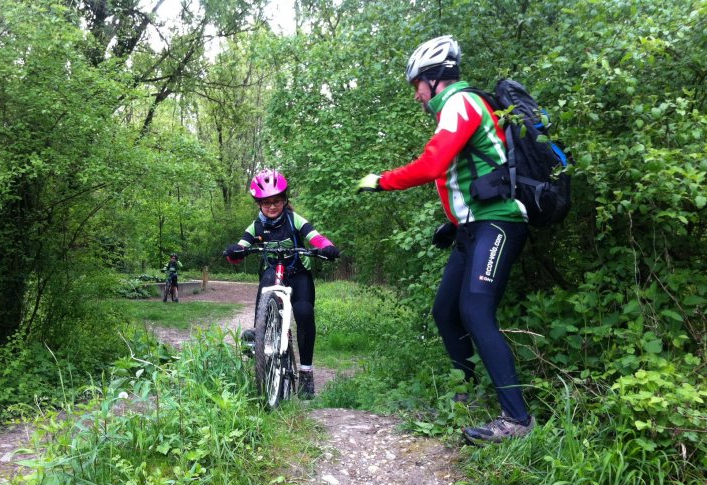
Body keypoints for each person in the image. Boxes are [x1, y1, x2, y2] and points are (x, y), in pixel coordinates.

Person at [356, 35, 535, 444]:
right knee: (445, 311)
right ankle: (469, 394)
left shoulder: (459, 101)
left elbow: (432, 163)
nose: (416, 93)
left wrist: (381, 181)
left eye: (418, 83)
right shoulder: (454, 109)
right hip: (472, 227)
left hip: (499, 223)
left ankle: (518, 420)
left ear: (437, 77)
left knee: (475, 312)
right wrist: (454, 221)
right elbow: (464, 174)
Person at [225, 169, 340, 399]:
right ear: (258, 203)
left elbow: (315, 236)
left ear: (285, 200)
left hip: (298, 272)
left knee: (304, 311)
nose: (271, 206)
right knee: (267, 281)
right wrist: (235, 252)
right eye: (265, 202)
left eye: (276, 201)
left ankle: (306, 373)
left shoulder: (293, 219)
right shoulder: (256, 226)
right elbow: (241, 245)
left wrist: (326, 246)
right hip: (273, 271)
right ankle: (259, 334)